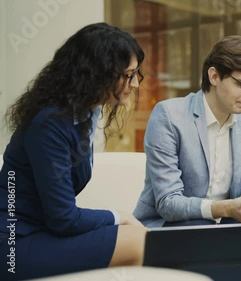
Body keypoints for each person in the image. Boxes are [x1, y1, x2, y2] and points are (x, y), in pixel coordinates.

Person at [0, 23, 147, 280]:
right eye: (128, 75)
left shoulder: (86, 113)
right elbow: (64, 218)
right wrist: (119, 216)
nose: (134, 84)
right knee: (137, 240)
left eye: (136, 74)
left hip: (42, 232)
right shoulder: (48, 124)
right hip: (13, 243)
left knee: (138, 238)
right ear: (97, 74)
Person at [133, 35, 241, 257]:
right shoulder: (169, 116)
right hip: (175, 226)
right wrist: (226, 208)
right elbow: (168, 203)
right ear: (214, 76)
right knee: (206, 236)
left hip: (229, 225)